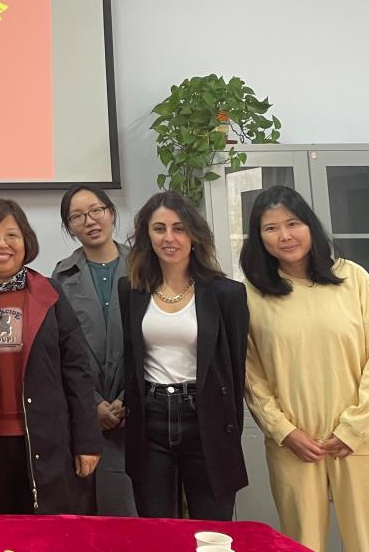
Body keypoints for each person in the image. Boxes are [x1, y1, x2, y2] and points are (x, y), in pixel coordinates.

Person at [240, 185, 369, 552]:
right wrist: (285, 431)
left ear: (310, 225)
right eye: (271, 228)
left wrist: (355, 428)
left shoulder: (353, 279)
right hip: (295, 446)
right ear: (258, 238)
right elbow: (251, 376)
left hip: (361, 440)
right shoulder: (251, 294)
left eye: (293, 223)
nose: (285, 236)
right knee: (302, 544)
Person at [0, 198, 102, 514]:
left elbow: (77, 373)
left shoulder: (50, 295)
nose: (2, 244)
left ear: (26, 242)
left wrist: (87, 441)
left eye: (12, 235)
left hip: (46, 438)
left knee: (45, 532)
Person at [117, 191, 248, 521]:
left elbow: (234, 371)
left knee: (212, 527)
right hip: (151, 418)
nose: (169, 238)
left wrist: (230, 430)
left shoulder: (227, 294)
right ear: (147, 236)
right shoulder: (131, 290)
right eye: (159, 229)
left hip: (205, 417)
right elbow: (132, 359)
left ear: (194, 235)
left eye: (179, 228)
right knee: (156, 527)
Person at [51, 184, 136, 516]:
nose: (89, 221)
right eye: (77, 216)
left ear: (111, 213)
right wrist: (93, 403)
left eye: (96, 210)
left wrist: (128, 398)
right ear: (69, 227)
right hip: (85, 413)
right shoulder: (61, 277)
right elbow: (60, 352)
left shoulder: (145, 267)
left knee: (138, 516)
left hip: (139, 409)